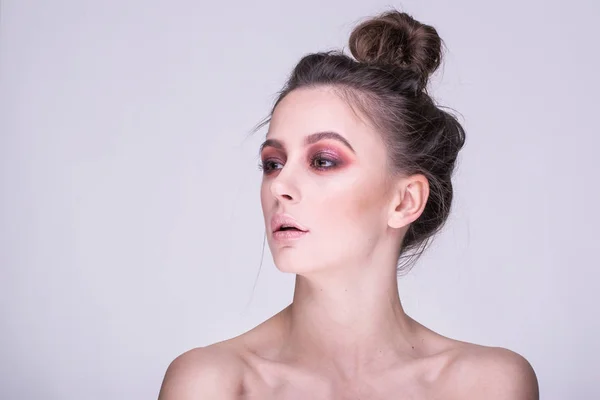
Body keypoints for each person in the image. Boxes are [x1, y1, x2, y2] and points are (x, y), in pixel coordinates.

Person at [158, 8, 539, 399]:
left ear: (405, 201)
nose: (279, 186)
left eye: (323, 161)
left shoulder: (487, 384)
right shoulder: (211, 382)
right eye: (273, 163)